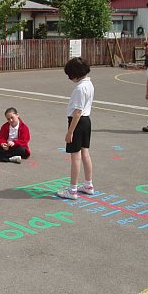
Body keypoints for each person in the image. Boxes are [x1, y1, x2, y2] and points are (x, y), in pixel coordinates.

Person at [57, 57, 94, 200]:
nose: (69, 78)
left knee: (76, 156)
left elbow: (77, 112)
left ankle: (72, 189)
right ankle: (88, 185)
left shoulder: (80, 88)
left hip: (77, 122)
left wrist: (70, 132)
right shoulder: (89, 84)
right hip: (86, 121)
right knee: (85, 153)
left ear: (75, 73)